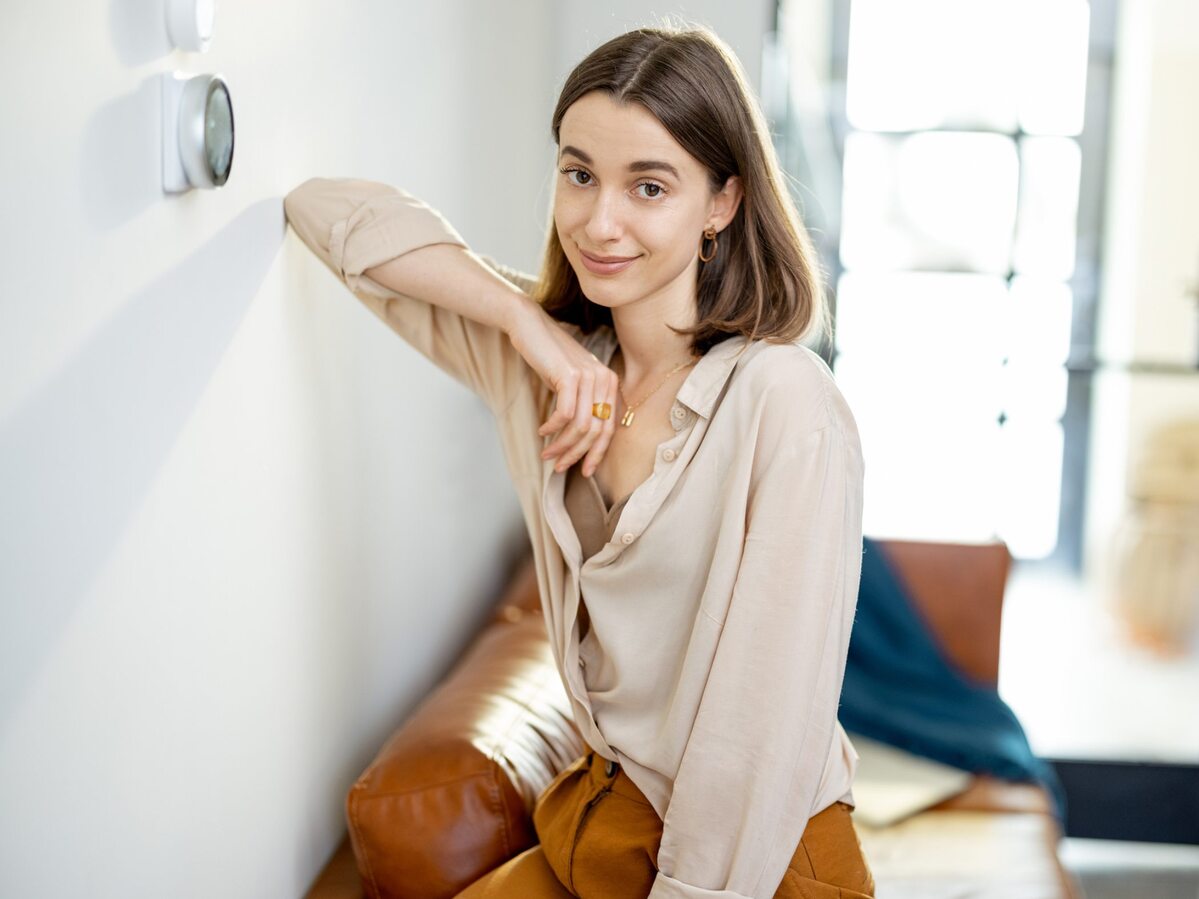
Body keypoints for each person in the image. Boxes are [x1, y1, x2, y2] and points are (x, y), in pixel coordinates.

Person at [283, 20, 873, 899]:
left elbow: (762, 726)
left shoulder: (782, 401)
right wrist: (525, 323)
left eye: (649, 186)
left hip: (754, 863)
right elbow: (324, 211)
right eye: (578, 173)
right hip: (600, 824)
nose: (600, 221)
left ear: (721, 203)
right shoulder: (550, 367)